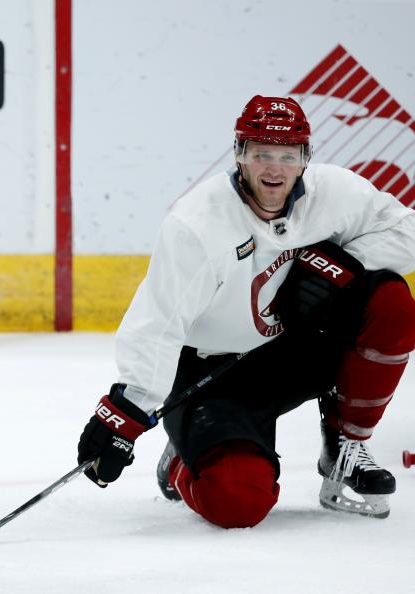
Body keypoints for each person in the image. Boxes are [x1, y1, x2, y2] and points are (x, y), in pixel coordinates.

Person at [76, 95, 415, 527]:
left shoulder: (336, 193)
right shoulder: (198, 224)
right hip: (209, 376)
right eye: (262, 154)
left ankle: (346, 447)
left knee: (390, 301)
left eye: (287, 155)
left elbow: (407, 231)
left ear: (305, 158)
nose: (275, 169)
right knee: (237, 502)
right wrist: (127, 409)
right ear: (240, 154)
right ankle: (186, 459)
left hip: (292, 349)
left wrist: (340, 265)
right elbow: (159, 323)